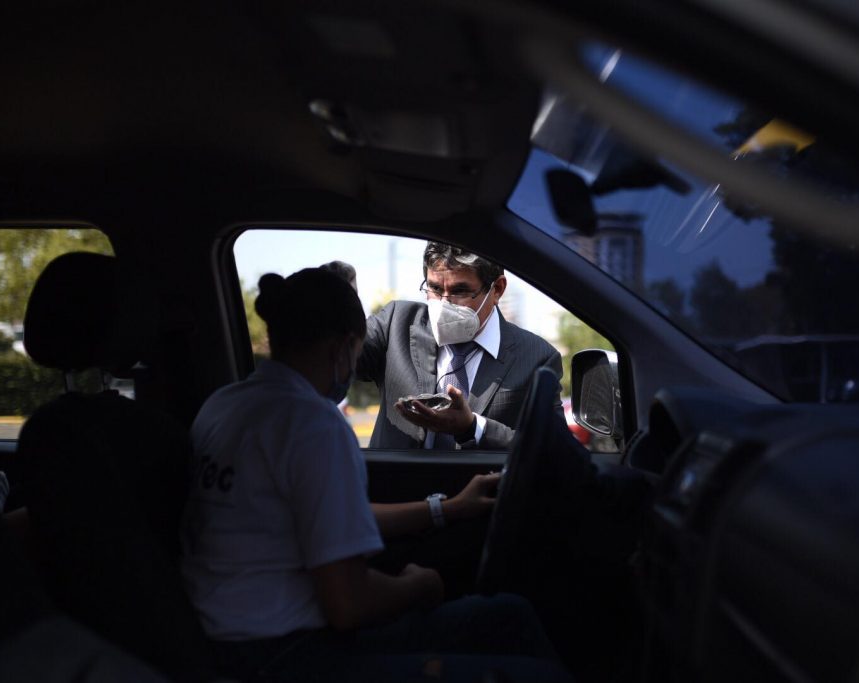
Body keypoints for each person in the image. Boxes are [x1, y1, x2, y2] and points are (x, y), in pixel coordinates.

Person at [180, 268, 570, 682]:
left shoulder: (222, 406)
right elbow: (348, 605)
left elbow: (326, 518)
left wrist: (448, 508)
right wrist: (422, 586)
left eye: (457, 290)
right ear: (345, 347)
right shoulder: (315, 426)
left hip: (222, 637)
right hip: (289, 652)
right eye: (435, 289)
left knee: (507, 614)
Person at [358, 242, 562, 450]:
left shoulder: (537, 357)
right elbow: (338, 355)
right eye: (435, 288)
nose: (445, 303)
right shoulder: (396, 323)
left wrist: (473, 428)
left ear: (497, 289)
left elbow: (552, 449)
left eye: (460, 290)